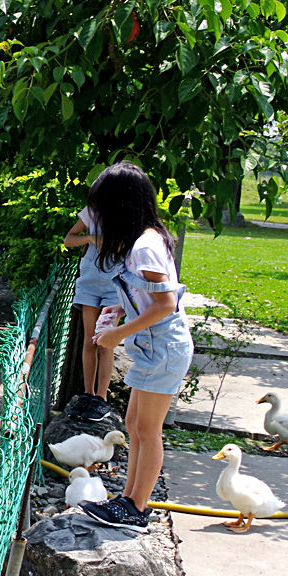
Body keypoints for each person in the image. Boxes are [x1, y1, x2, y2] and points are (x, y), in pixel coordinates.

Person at [75, 162, 194, 530]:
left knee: (147, 429)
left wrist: (118, 334)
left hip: (164, 348)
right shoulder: (144, 240)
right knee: (134, 423)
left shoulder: (144, 246)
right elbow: (149, 297)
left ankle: (137, 509)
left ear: (120, 206)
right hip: (153, 347)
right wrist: (119, 308)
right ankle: (127, 501)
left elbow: (165, 304)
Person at [62, 202, 120, 421]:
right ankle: (88, 393)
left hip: (114, 285)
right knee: (89, 340)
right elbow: (69, 240)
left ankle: (101, 397)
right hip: (89, 283)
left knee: (105, 341)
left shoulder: (128, 215)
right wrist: (90, 238)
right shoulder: (92, 212)